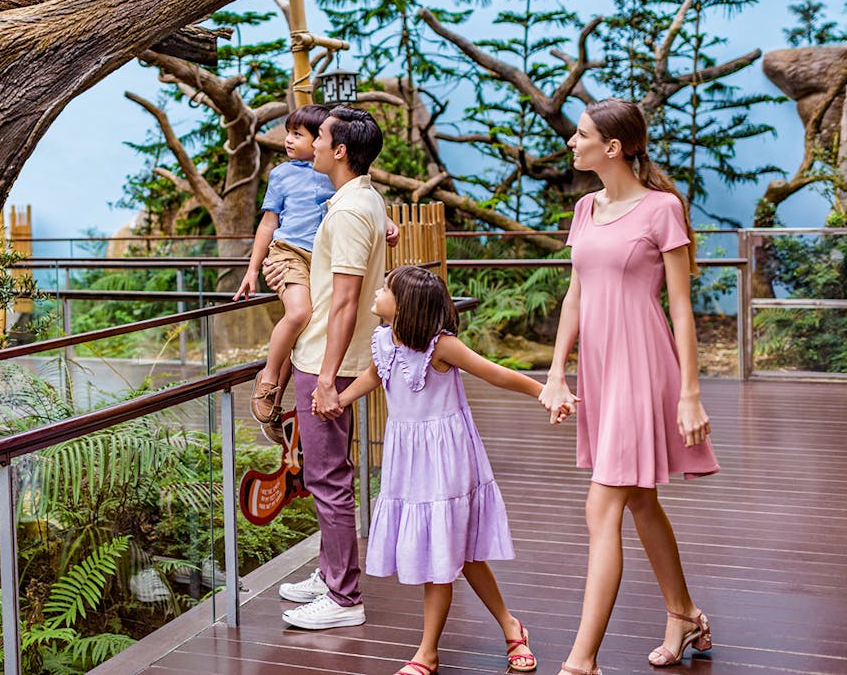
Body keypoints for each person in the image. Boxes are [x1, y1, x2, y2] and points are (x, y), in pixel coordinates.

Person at [539, 98, 720, 675]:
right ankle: (685, 614)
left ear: (612, 148)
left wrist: (689, 393)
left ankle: (581, 661)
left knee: (603, 505)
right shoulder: (586, 208)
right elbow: (577, 295)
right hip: (598, 367)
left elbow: (683, 311)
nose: (572, 141)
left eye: (582, 134)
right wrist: (556, 371)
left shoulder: (662, 209)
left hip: (643, 365)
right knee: (640, 499)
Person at [333, 265, 562, 675]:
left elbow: (494, 372)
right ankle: (512, 627)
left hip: (446, 459)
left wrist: (543, 391)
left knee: (442, 551)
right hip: (408, 460)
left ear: (406, 307)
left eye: (385, 289)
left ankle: (428, 653)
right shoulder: (383, 341)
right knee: (465, 555)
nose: (378, 293)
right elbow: (373, 376)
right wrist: (339, 399)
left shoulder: (441, 346)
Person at [265, 105, 386, 630]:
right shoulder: (362, 201)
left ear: (339, 151)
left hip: (325, 362)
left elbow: (344, 301)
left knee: (328, 478)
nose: (310, 145)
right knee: (329, 475)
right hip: (325, 358)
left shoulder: (347, 212)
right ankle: (331, 573)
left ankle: (343, 598)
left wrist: (328, 379)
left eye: (321, 139)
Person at [235, 105, 398, 445]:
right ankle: (268, 380)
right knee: (299, 313)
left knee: (308, 322)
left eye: (301, 134)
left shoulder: (333, 175)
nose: (288, 140)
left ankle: (279, 404)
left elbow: (355, 207)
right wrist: (253, 268)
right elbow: (269, 223)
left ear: (330, 148)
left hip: (320, 257)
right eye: (288, 132)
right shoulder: (282, 175)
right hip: (288, 253)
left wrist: (387, 223)